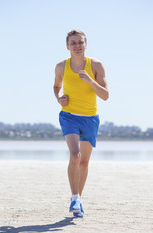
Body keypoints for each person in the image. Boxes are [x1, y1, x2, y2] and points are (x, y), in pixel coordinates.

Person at [53, 30, 109, 217]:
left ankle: (79, 200)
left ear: (86, 44)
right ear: (67, 46)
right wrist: (59, 97)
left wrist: (90, 79)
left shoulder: (96, 65)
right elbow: (56, 86)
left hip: (90, 118)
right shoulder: (61, 66)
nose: (77, 45)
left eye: (80, 42)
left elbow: (105, 96)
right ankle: (75, 197)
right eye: (73, 43)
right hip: (69, 116)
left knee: (84, 163)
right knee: (75, 155)